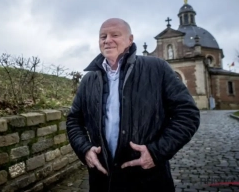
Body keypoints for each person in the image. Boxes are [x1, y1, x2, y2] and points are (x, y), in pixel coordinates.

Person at [66, 18, 200, 192]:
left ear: (130, 40)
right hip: (102, 181)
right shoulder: (88, 80)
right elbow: (74, 120)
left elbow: (188, 114)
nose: (107, 40)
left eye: (115, 35)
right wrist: (84, 149)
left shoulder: (157, 68)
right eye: (103, 36)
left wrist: (156, 152)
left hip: (148, 180)